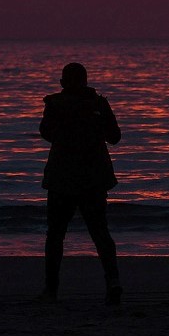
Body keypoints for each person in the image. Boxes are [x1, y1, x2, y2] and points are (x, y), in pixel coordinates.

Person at [38, 62, 122, 305]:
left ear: (63, 82)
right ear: (85, 81)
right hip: (92, 179)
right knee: (100, 232)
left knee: (55, 235)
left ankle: (51, 290)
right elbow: (115, 137)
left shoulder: (54, 104)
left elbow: (46, 133)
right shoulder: (98, 104)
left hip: (62, 179)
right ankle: (113, 282)